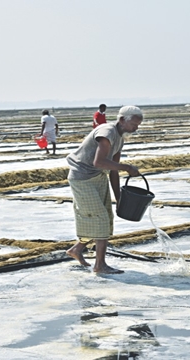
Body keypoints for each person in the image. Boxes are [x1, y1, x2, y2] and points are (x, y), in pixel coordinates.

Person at [65, 105, 143, 274]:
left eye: (138, 125)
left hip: (97, 177)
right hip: (82, 178)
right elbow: (99, 162)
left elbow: (112, 169)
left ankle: (76, 250)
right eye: (134, 125)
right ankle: (100, 265)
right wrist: (127, 167)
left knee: (105, 216)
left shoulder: (120, 138)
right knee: (99, 218)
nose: (136, 128)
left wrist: (119, 198)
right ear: (122, 120)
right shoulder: (106, 132)